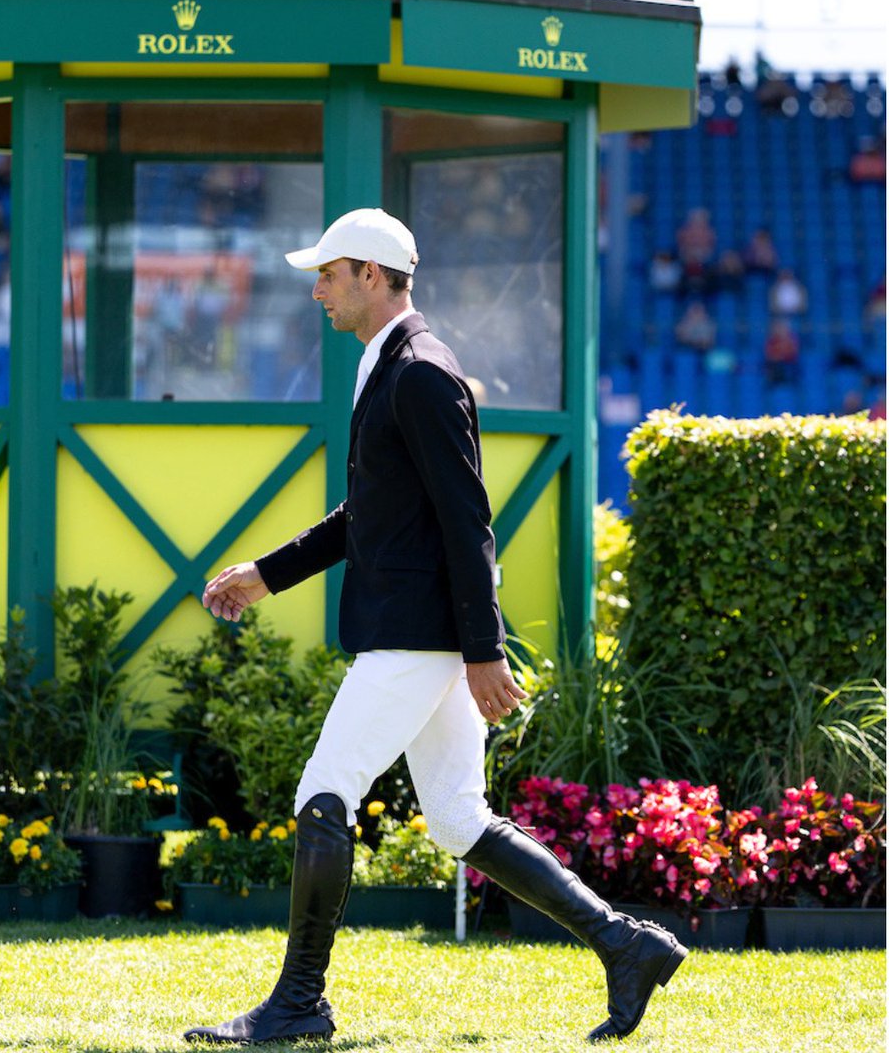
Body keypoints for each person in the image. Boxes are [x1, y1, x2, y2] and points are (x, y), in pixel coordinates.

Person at [186, 208, 686, 1047]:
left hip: (416, 635)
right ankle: (626, 944)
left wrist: (484, 651)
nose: (317, 290)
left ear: (371, 276)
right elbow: (369, 515)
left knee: (323, 792)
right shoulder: (391, 365)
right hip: (421, 631)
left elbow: (467, 521)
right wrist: (265, 574)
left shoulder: (419, 372)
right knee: (456, 818)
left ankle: (299, 1002)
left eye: (328, 274)